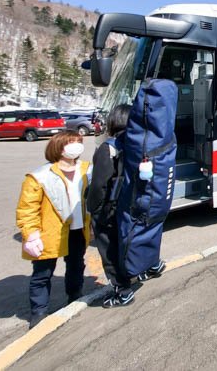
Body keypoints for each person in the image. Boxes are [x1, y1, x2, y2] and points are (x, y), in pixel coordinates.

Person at [16, 130, 91, 329]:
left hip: (78, 229)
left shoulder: (87, 170)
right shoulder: (40, 176)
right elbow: (27, 209)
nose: (77, 146)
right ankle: (39, 311)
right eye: (71, 142)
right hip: (49, 233)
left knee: (76, 265)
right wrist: (31, 235)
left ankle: (75, 295)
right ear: (59, 147)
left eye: (79, 142)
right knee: (42, 273)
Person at [87, 104, 135, 308]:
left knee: (109, 250)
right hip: (130, 205)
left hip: (109, 210)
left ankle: (122, 292)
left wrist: (93, 210)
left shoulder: (110, 147)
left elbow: (99, 185)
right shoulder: (136, 144)